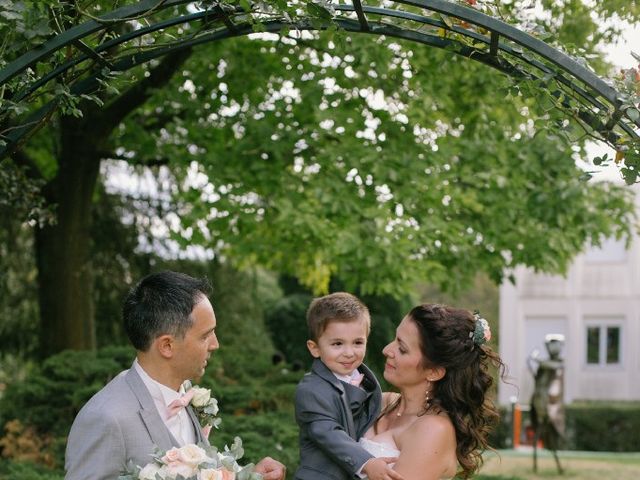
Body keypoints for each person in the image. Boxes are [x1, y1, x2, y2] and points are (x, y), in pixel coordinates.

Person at [64, 271, 286, 480]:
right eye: (205, 336)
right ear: (167, 345)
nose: (215, 344)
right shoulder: (105, 418)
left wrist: (250, 476)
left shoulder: (187, 395)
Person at [361, 304, 505, 480]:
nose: (386, 350)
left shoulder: (434, 430)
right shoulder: (382, 402)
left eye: (402, 349)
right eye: (395, 339)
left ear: (434, 372)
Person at [294, 292, 403, 480]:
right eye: (337, 344)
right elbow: (328, 433)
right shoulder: (310, 389)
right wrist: (367, 462)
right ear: (315, 348)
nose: (349, 353)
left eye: (358, 342)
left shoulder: (366, 381)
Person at [528, 334, 565, 473]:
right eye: (551, 344)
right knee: (538, 431)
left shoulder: (557, 363)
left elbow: (555, 366)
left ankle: (557, 463)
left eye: (556, 344)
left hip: (550, 405)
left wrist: (536, 359)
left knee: (549, 432)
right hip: (539, 401)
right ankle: (536, 465)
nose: (553, 347)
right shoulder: (544, 366)